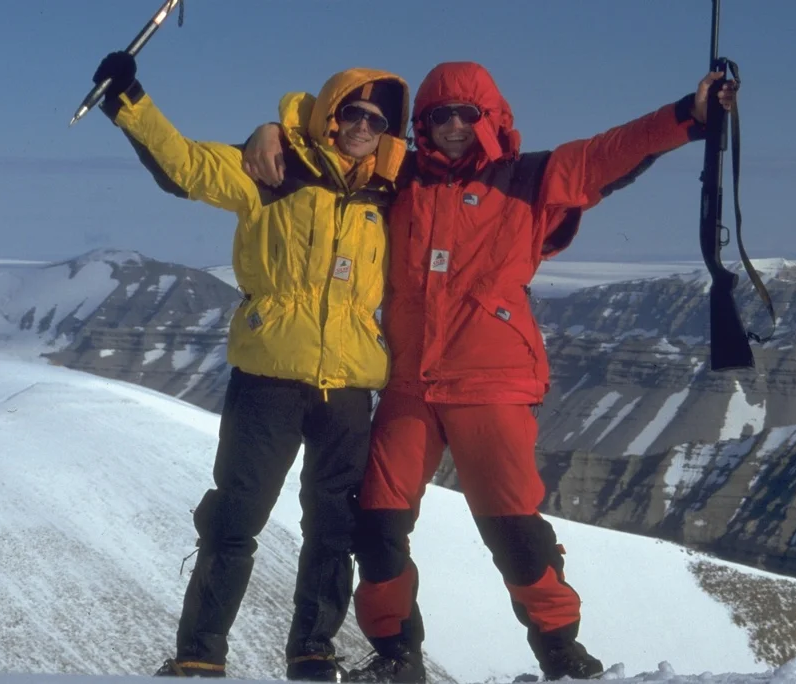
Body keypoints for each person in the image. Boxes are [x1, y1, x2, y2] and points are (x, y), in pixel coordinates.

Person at [243, 61, 738, 683]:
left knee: (512, 530)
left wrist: (688, 116)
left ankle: (560, 651)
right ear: (420, 125)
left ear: (491, 119)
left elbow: (611, 153)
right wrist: (271, 129)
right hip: (410, 384)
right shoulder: (399, 176)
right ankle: (398, 655)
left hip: (491, 381)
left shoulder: (530, 176)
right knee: (375, 523)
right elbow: (333, 149)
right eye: (436, 116)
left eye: (465, 114)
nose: (451, 127)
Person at [88, 50, 410, 680]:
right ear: (331, 112)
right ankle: (199, 655)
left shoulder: (389, 190)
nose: (364, 125)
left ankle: (313, 651)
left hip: (347, 388)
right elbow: (184, 168)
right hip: (269, 380)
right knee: (234, 521)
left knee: (333, 529)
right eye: (353, 112)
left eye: (377, 118)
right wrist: (130, 100)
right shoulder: (272, 167)